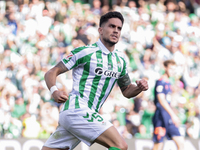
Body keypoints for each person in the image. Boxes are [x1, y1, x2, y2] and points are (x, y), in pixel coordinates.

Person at [41, 11, 148, 150]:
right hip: (77, 110)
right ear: (100, 30)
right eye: (111, 26)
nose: (115, 31)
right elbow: (51, 72)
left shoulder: (120, 60)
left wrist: (139, 87)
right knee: (120, 146)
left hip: (83, 115)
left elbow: (127, 91)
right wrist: (54, 91)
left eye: (119, 28)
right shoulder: (85, 52)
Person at [152, 60, 184, 150]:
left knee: (180, 142)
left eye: (174, 69)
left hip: (169, 117)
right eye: (171, 68)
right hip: (161, 117)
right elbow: (161, 100)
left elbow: (169, 101)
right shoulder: (160, 82)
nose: (172, 71)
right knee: (158, 145)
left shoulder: (169, 83)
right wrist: (173, 115)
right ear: (165, 68)